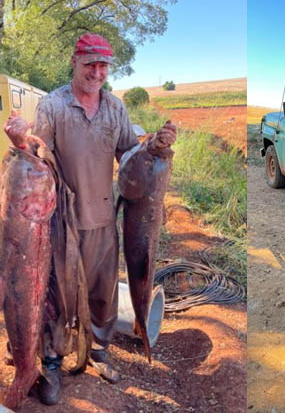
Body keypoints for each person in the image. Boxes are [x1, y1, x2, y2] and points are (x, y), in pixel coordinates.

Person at [9, 32, 176, 405]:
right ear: (75, 61)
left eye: (103, 66)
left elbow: (129, 159)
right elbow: (39, 157)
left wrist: (153, 147)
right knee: (57, 294)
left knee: (103, 293)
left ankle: (98, 351)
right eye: (91, 65)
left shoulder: (116, 109)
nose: (97, 73)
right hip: (63, 221)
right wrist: (20, 143)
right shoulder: (52, 106)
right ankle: (51, 362)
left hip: (103, 219)